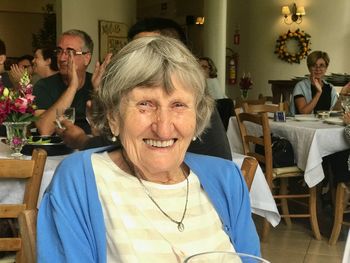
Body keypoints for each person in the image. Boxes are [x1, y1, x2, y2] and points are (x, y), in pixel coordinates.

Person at [37, 35, 260, 262]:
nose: (163, 129)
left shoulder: (227, 179)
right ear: (114, 117)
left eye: (178, 105)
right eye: (145, 104)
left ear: (198, 116)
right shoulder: (79, 181)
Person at [57, 18, 232, 161]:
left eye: (178, 105)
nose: (138, 59)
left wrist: (80, 139)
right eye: (133, 51)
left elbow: (109, 146)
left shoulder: (194, 100)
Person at [33, 29, 94, 135]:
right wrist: (72, 87)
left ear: (86, 58)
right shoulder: (43, 86)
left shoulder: (96, 83)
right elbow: (45, 130)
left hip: (91, 148)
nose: (62, 58)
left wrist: (99, 90)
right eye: (59, 51)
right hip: (56, 150)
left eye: (70, 52)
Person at [290, 50, 350, 115]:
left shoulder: (330, 88)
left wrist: (342, 95)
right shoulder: (300, 86)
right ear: (309, 68)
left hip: (325, 125)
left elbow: (334, 113)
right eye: (314, 65)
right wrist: (319, 92)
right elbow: (304, 112)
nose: (318, 68)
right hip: (303, 125)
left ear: (326, 68)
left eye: (322, 65)